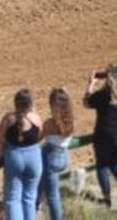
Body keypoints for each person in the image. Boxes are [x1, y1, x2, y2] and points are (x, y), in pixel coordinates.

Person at [84, 64, 117, 209]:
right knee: (116, 164)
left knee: (102, 166)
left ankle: (107, 199)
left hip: (104, 137)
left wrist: (91, 84)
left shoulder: (105, 95)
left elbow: (86, 102)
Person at [0, 88, 44, 220]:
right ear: (30, 104)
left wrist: (6, 149)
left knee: (13, 198)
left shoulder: (8, 118)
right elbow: (40, 136)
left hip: (14, 156)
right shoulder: (36, 118)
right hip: (34, 158)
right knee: (30, 197)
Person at [40, 87, 74, 220]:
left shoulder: (50, 123)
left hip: (51, 158)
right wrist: (66, 95)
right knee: (50, 191)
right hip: (63, 157)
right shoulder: (71, 122)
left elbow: (37, 138)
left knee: (53, 197)